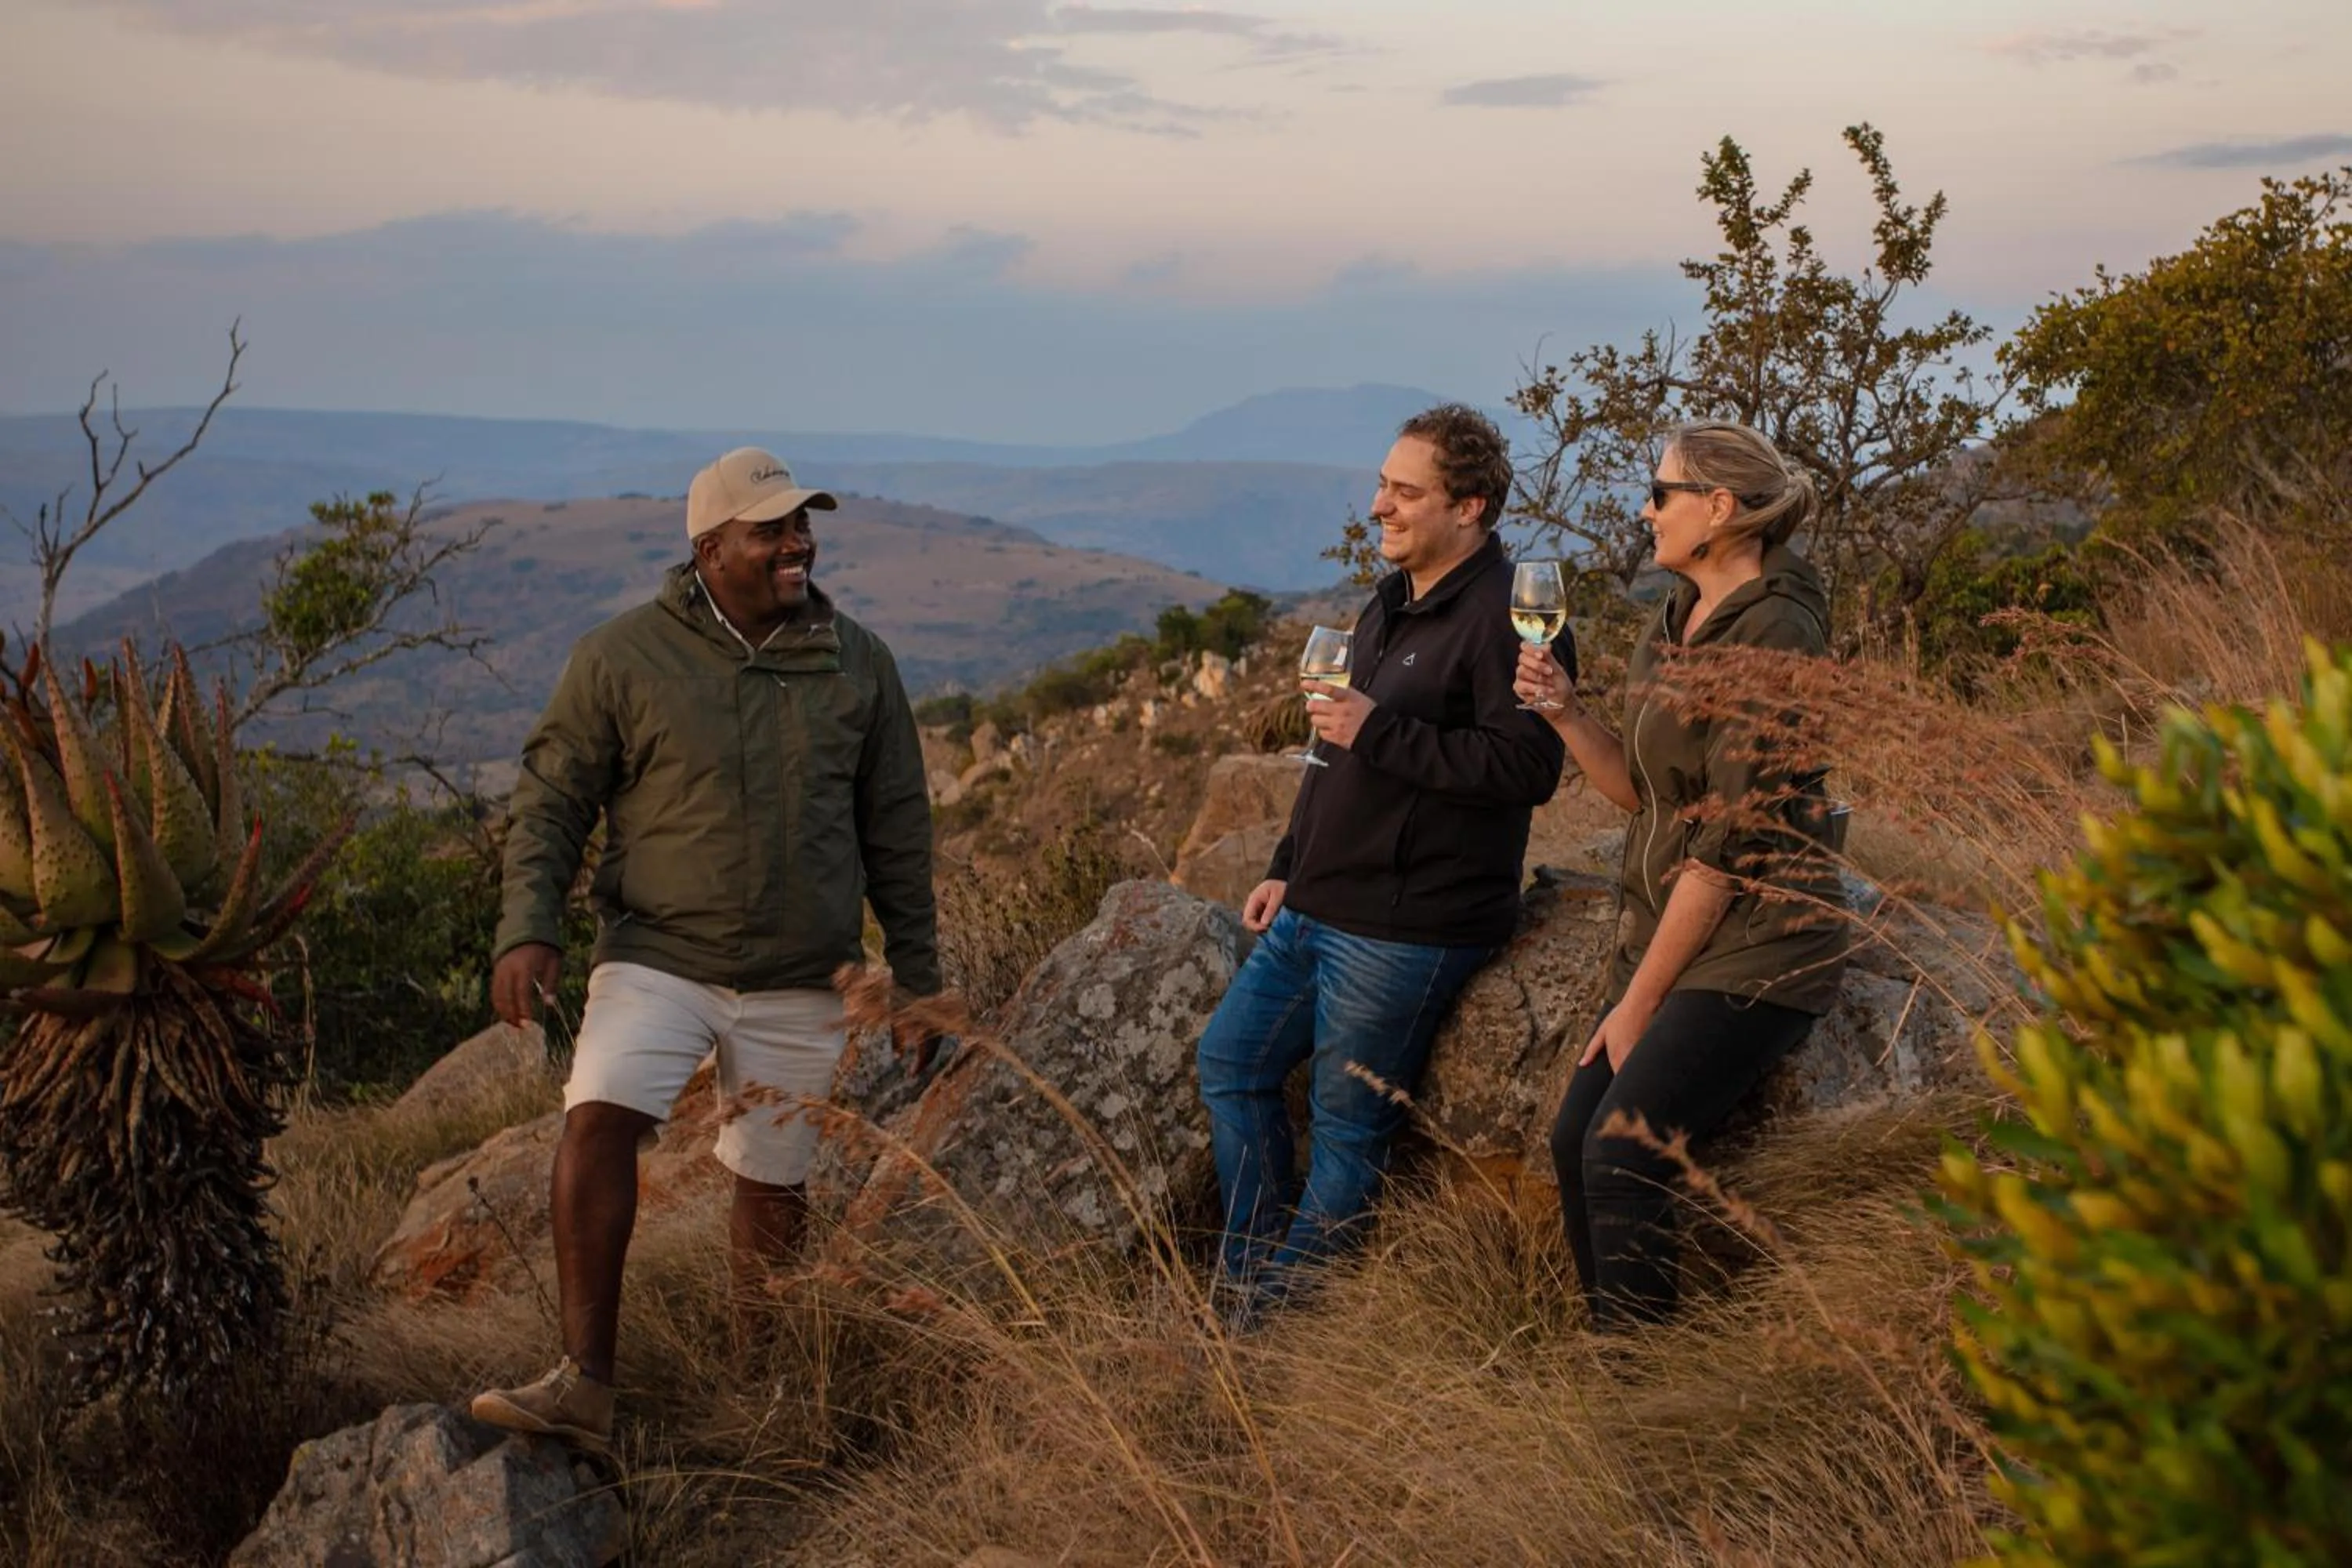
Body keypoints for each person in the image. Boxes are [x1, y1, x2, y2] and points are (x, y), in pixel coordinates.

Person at [469, 446, 939, 1450]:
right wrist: (529, 925)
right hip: (658, 955)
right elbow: (551, 801)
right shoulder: (623, 657)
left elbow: (898, 828)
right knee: (598, 1117)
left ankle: (759, 1400)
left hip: (804, 971)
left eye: (802, 525)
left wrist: (921, 981)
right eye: (771, 529)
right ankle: (584, 1382)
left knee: (773, 1181)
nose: (796, 543)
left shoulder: (858, 661)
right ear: (709, 547)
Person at [1195, 404, 1570, 1323]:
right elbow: (1332, 755)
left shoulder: (1513, 614)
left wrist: (1382, 727)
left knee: (1346, 1136)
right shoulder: (1389, 596)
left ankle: (1268, 1325)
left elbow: (1529, 767)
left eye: (1406, 492)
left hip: (1406, 926)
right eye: (1381, 485)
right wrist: (1290, 861)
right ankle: (1246, 1274)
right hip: (1319, 902)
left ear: (1470, 505)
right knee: (1229, 1062)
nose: (1379, 506)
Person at [1512, 419, 1846, 1330]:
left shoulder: (1777, 634)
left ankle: (1645, 1391)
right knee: (1574, 1136)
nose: (1646, 508)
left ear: (1720, 509)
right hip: (1675, 929)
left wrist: (1639, 1000)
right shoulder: (1676, 619)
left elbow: (1727, 846)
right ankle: (1619, 1362)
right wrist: (1567, 712)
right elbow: (1640, 793)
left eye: (1661, 493)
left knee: (1624, 1154)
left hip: (1757, 944)